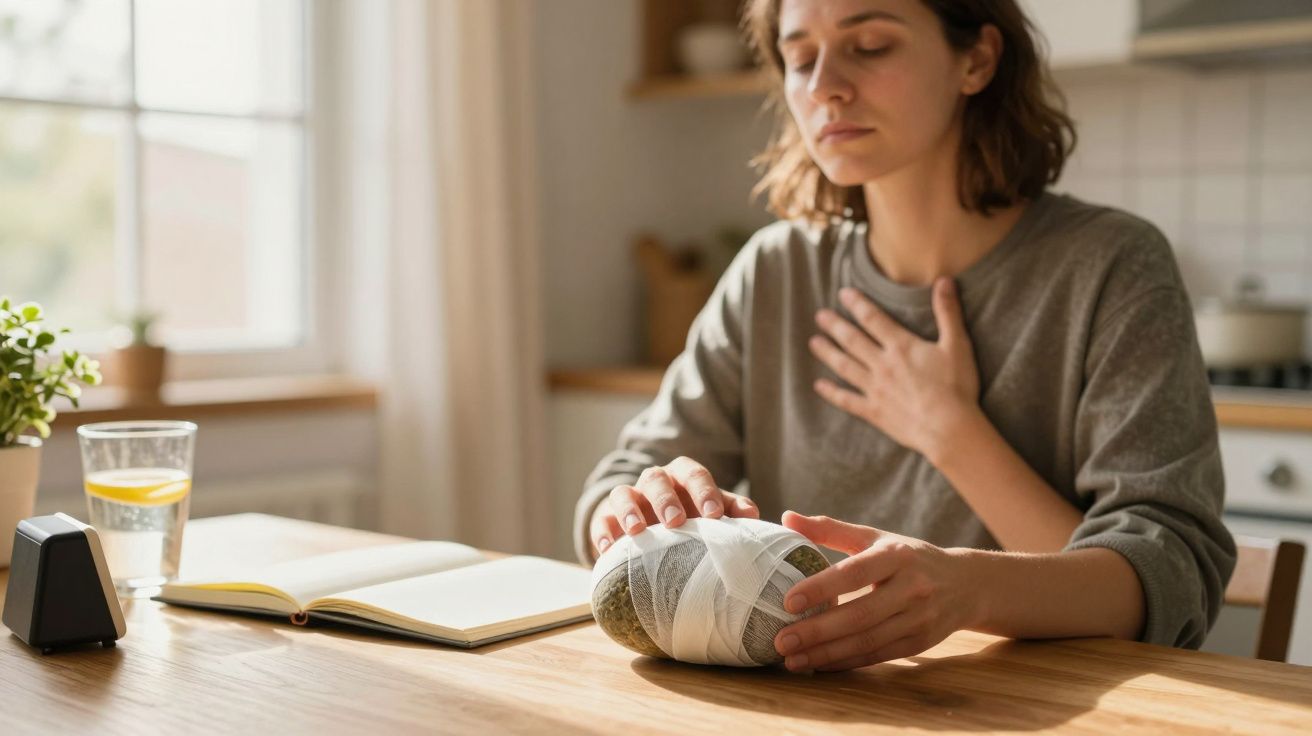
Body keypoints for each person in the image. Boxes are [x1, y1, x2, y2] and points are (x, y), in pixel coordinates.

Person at [573, 0, 1235, 672]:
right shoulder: (775, 272)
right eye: (801, 58)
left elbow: (1169, 572)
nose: (824, 84)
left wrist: (951, 438)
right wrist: (629, 511)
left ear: (976, 59)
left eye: (870, 45)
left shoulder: (1112, 265)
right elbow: (621, 481)